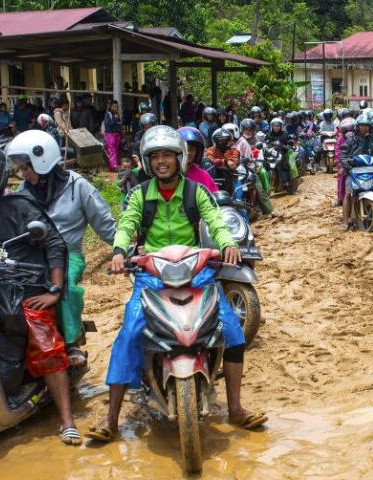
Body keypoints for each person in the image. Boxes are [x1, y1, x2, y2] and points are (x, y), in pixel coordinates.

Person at [86, 125, 265, 443]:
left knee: (233, 333)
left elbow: (214, 218)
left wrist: (227, 243)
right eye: (155, 157)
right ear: (147, 161)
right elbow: (127, 223)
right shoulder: (140, 194)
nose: (162, 162)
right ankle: (111, 417)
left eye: (167, 155)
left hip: (197, 273)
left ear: (179, 158)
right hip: (152, 275)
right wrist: (118, 250)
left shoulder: (196, 192)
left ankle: (236, 407)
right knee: (129, 332)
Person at [0, 142, 80, 445]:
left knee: (44, 342)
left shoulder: (20, 206)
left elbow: (55, 245)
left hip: (20, 291)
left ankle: (67, 420)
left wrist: (55, 290)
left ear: (0, 175)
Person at [9, 130, 116, 368]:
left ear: (42, 161)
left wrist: (123, 250)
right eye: (20, 169)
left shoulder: (78, 186)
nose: (23, 174)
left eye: (25, 168)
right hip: (33, 259)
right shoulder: (23, 192)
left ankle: (71, 342)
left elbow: (105, 224)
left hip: (70, 256)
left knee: (65, 283)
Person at [340, 114, 373, 230]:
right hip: (353, 172)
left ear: (370, 127)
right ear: (357, 127)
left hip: (372, 172)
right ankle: (345, 220)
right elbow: (343, 157)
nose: (364, 128)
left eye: (367, 126)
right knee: (348, 194)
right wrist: (349, 169)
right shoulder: (350, 141)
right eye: (362, 126)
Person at [103, 100, 123, 171]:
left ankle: (116, 165)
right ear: (111, 107)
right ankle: (113, 166)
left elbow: (119, 125)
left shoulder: (117, 114)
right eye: (114, 107)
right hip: (110, 135)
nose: (116, 108)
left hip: (117, 134)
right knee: (112, 151)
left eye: (117, 107)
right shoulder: (108, 114)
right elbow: (108, 125)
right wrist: (115, 119)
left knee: (116, 150)